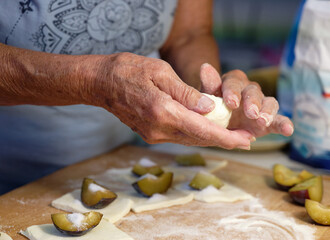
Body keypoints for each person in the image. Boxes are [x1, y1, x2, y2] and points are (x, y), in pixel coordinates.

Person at [0, 0, 293, 194]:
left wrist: (213, 100)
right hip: (13, 177)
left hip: (128, 167)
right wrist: (96, 80)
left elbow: (187, 35)